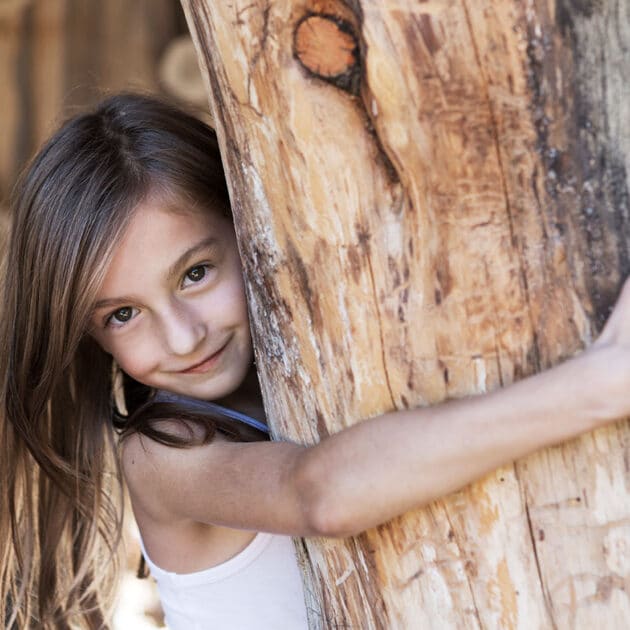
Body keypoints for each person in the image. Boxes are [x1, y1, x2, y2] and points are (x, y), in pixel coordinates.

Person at [1, 93, 629, 630]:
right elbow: (318, 493)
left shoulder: (316, 364)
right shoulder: (162, 452)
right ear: (92, 338)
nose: (184, 337)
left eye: (195, 273)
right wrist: (600, 381)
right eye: (122, 315)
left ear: (246, 223)